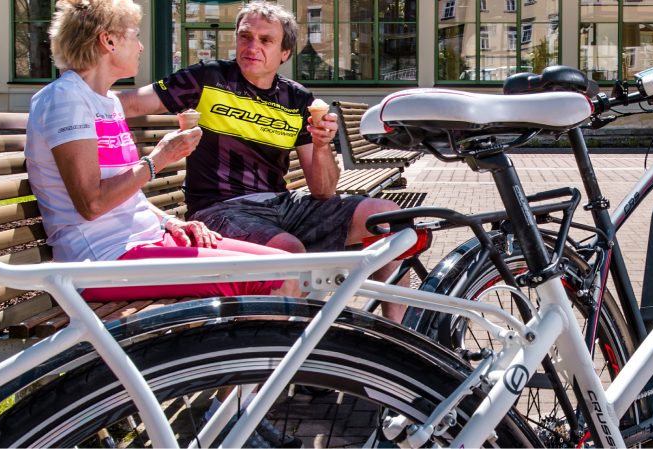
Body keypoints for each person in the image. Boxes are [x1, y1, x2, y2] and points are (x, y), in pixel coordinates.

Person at [117, 1, 406, 321]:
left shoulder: (298, 99)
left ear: (285, 52)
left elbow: (323, 191)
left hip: (282, 205)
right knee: (289, 253)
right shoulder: (208, 78)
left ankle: (400, 339)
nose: (252, 46)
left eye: (265, 40)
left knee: (388, 217)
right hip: (219, 209)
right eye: (245, 37)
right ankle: (277, 353)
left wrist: (323, 145)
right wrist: (74, 97)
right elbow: (130, 103)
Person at [26, 0, 302, 302]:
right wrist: (158, 159)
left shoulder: (106, 102)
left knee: (287, 266)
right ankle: (254, 348)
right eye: (134, 35)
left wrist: (170, 221)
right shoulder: (65, 100)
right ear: (108, 41)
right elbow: (92, 204)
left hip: (147, 240)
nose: (141, 47)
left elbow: (128, 197)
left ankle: (261, 347)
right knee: (272, 276)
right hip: (103, 259)